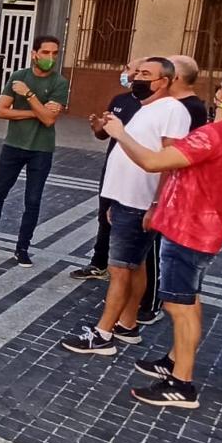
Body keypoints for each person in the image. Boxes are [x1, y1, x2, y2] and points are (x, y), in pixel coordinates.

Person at [104, 70, 222, 409]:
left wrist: (120, 133)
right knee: (189, 299)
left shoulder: (213, 135)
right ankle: (175, 359)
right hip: (208, 225)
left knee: (179, 306)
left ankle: (182, 383)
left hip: (188, 228)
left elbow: (152, 162)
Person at [60, 57, 191, 356]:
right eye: (137, 72)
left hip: (140, 202)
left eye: (146, 74)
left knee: (119, 270)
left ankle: (103, 334)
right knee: (135, 266)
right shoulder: (146, 107)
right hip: (125, 200)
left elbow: (169, 161)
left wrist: (156, 204)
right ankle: (127, 324)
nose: (137, 78)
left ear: (165, 81)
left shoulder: (172, 110)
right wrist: (116, 199)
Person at [0, 36, 69, 266]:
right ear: (34, 54)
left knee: (33, 200)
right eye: (46, 52)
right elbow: (1, 111)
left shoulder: (59, 82)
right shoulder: (18, 76)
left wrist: (28, 95)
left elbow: (49, 121)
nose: (50, 58)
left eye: (55, 53)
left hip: (41, 149)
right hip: (13, 145)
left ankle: (22, 248)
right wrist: (38, 111)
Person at [134, 54, 210, 326]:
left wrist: (157, 201)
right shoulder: (166, 105)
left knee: (156, 249)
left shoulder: (188, 109)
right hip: (156, 185)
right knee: (146, 250)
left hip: (170, 189)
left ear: (172, 78)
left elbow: (174, 154)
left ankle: (152, 302)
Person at [71, 59, 144, 281]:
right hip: (113, 170)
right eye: (129, 68)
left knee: (133, 221)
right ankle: (99, 263)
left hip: (138, 172)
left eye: (132, 70)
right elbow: (105, 134)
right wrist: (98, 128)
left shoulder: (153, 107)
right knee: (105, 216)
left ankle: (131, 268)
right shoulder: (119, 100)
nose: (126, 73)